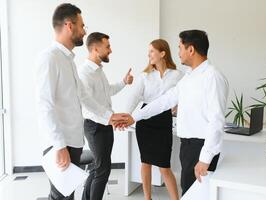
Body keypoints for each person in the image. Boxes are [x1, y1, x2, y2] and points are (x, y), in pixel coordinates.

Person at [117, 30, 229, 196]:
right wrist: (134, 117)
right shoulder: (189, 77)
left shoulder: (211, 77)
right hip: (188, 146)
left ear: (191, 50)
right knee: (188, 191)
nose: (178, 52)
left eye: (180, 47)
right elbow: (165, 101)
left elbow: (216, 121)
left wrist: (205, 159)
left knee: (196, 194)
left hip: (200, 146)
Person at [36, 4, 127, 200]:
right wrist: (59, 146)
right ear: (69, 25)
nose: (84, 31)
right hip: (60, 143)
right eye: (82, 25)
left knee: (67, 195)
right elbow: (45, 106)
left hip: (74, 141)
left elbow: (83, 97)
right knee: (61, 197)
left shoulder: (68, 61)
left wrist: (110, 117)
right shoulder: (50, 58)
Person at [78, 32, 133, 200]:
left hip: (104, 125)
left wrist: (124, 82)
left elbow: (107, 91)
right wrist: (111, 117)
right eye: (107, 46)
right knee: (102, 170)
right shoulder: (85, 72)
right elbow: (87, 104)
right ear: (95, 48)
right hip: (95, 126)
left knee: (97, 167)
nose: (110, 50)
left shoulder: (98, 70)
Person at [125, 39, 183, 200]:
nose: (148, 54)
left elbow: (183, 96)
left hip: (163, 121)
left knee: (164, 166)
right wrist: (124, 117)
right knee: (146, 162)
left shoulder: (178, 75)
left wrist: (178, 106)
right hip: (145, 121)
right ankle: (147, 198)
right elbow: (134, 97)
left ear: (162, 53)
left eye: (151, 51)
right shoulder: (145, 76)